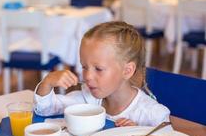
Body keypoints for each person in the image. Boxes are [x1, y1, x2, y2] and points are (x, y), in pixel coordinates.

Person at [34, 21, 170, 127]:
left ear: (127, 71)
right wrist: (48, 82)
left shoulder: (152, 114)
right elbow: (45, 109)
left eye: (98, 69)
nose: (87, 76)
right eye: (84, 67)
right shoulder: (87, 98)